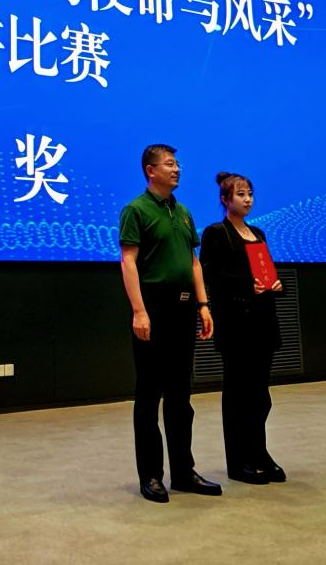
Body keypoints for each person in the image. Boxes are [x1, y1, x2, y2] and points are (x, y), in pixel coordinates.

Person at [119, 143, 223, 503]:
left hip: (183, 308)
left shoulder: (183, 212)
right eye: (169, 164)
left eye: (177, 163)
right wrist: (139, 311)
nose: (176, 169)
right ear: (151, 171)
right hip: (153, 308)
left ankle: (183, 472)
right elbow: (128, 262)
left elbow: (193, 262)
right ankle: (151, 475)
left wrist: (204, 305)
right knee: (149, 394)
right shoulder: (136, 210)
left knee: (181, 394)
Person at [199, 171, 286, 484]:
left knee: (260, 395)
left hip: (263, 321)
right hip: (236, 324)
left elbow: (266, 271)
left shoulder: (258, 233)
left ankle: (259, 452)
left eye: (250, 194)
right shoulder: (216, 233)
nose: (247, 199)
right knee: (238, 394)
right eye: (240, 194)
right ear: (225, 199)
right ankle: (238, 462)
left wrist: (276, 284)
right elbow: (212, 276)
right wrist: (247, 285)